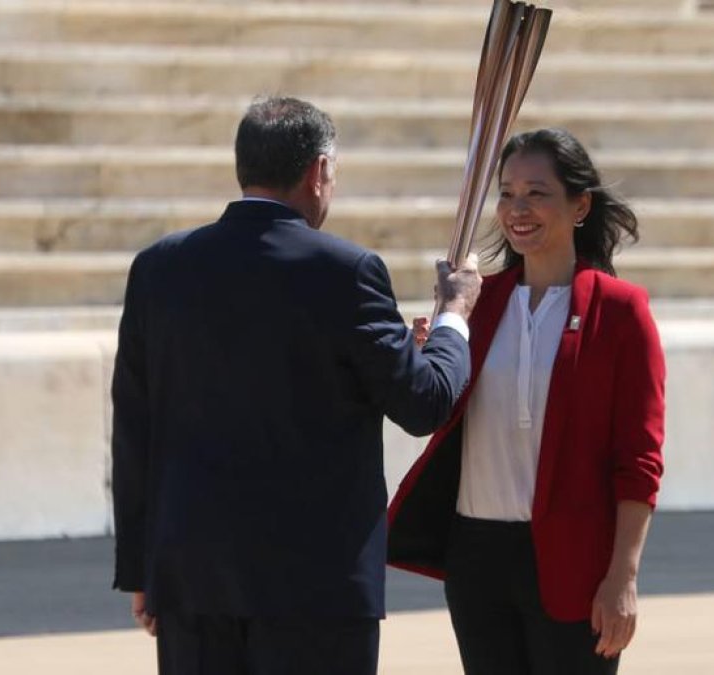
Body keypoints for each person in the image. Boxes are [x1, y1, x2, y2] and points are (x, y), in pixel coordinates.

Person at [110, 96, 481, 675]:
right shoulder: (347, 271)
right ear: (320, 171)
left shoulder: (159, 267)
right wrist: (455, 314)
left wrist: (141, 569)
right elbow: (424, 401)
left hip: (192, 579)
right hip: (317, 589)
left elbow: (134, 428)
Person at [388, 128, 666, 674]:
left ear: (579, 204)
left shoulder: (620, 310)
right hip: (477, 556)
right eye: (508, 193)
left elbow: (639, 460)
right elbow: (432, 407)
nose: (518, 209)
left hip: (572, 559)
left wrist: (622, 578)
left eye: (537, 193)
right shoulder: (477, 302)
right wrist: (433, 344)